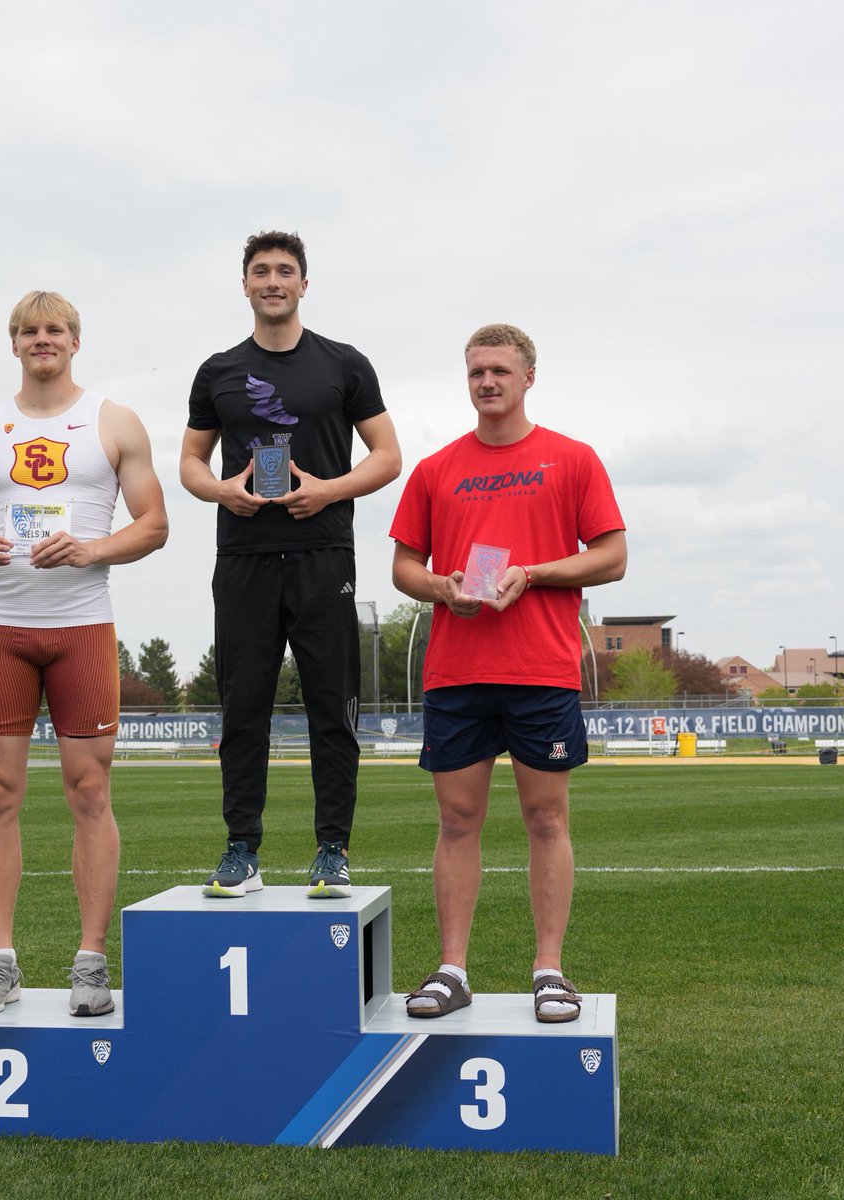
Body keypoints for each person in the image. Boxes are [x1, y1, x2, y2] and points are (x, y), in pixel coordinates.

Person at [389, 324, 626, 1023]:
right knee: (458, 820)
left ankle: (549, 969)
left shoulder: (571, 459)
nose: (486, 382)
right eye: (475, 372)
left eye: (498, 370)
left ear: (528, 377)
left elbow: (611, 556)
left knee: (545, 819)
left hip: (540, 667)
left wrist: (535, 574)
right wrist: (443, 588)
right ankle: (452, 968)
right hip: (457, 669)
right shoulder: (435, 469)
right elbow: (404, 567)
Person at [0, 290, 168, 1017]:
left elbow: (155, 524)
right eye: (29, 331)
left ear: (76, 341)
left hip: (81, 627)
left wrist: (93, 547)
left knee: (89, 792)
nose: (43, 340)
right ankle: (0, 961)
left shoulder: (114, 421)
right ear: (13, 344)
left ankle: (91, 962)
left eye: (56, 330)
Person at [181, 231, 401, 899]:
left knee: (330, 707)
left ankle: (332, 849)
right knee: (242, 706)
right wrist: (222, 491)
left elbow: (388, 456)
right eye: (260, 271)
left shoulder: (344, 363)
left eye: (285, 271)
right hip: (243, 556)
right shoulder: (217, 370)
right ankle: (241, 849)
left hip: (322, 553)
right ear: (244, 285)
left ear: (304, 284)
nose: (273, 281)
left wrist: (327, 491)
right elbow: (190, 463)